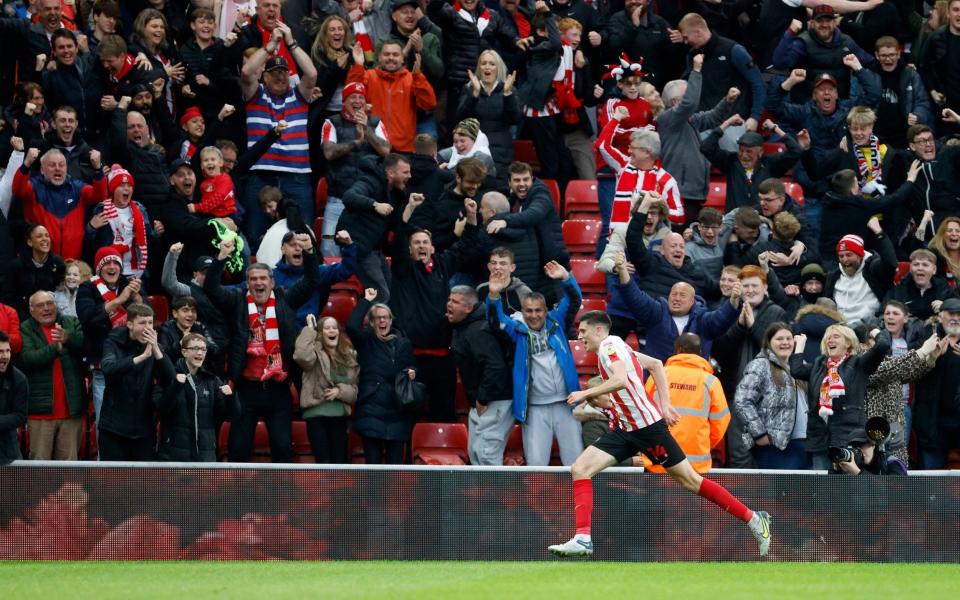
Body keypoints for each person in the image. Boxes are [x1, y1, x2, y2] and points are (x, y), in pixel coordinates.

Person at [550, 311, 772, 558]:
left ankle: (754, 519)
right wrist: (665, 405)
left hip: (647, 430)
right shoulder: (620, 347)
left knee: (691, 481)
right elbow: (656, 365)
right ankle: (582, 538)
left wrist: (582, 395)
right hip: (626, 429)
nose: (579, 337)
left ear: (599, 330)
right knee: (580, 468)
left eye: (583, 331)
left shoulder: (609, 346)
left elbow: (621, 380)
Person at [203, 233, 320, 463]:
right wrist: (221, 259)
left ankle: (281, 496)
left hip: (278, 389)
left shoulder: (285, 298)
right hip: (246, 388)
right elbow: (212, 289)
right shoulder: (237, 301)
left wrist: (309, 252)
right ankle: (239, 496)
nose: (258, 283)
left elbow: (311, 281)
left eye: (263, 278)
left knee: (283, 447)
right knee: (238, 448)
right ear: (248, 284)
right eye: (254, 279)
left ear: (272, 282)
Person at [390, 193, 481, 422]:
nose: (421, 246)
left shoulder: (442, 264)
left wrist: (471, 217)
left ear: (432, 247)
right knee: (409, 414)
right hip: (411, 357)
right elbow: (398, 239)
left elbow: (466, 245)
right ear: (409, 249)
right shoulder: (403, 269)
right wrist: (409, 208)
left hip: (442, 357)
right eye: (416, 243)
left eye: (425, 243)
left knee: (444, 412)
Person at [486, 261, 584, 466]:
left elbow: (574, 299)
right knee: (536, 466)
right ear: (523, 311)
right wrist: (494, 296)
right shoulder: (517, 330)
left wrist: (566, 278)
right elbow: (496, 322)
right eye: (528, 311)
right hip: (535, 408)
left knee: (576, 464)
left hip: (566, 405)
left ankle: (578, 500)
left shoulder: (557, 323)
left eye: (538, 310)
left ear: (546, 310)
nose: (534, 315)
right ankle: (539, 500)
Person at [240, 23, 319, 239]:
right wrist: (270, 46)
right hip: (260, 175)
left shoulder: (299, 96)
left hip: (297, 176)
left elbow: (311, 73)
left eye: (284, 73)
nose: (280, 77)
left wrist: (290, 42)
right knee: (257, 235)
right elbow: (247, 72)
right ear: (264, 76)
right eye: (274, 73)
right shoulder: (256, 96)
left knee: (303, 236)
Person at [791, 323, 891, 470]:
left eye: (836, 336)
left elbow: (883, 345)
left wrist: (872, 330)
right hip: (820, 440)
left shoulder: (859, 363)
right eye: (828, 338)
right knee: (823, 490)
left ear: (848, 342)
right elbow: (796, 370)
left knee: (848, 489)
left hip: (848, 439)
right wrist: (800, 345)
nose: (830, 340)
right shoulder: (819, 365)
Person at [610, 251, 740, 361]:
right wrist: (622, 271)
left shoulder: (702, 320)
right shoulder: (657, 312)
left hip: (692, 384)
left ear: (692, 301)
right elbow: (634, 296)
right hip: (658, 383)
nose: (677, 298)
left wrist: (733, 300)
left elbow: (722, 318)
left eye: (682, 295)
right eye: (674, 294)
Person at [320, 81, 391, 256]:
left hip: (368, 201)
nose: (357, 100)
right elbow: (329, 153)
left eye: (361, 97)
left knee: (368, 248)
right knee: (329, 247)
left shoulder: (376, 122)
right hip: (338, 197)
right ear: (344, 101)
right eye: (353, 97)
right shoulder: (331, 122)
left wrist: (366, 131)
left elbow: (386, 150)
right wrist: (355, 143)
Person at [346, 288, 416, 464]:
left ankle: (394, 494)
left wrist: (413, 372)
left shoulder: (403, 343)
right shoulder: (366, 341)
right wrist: (366, 300)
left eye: (386, 317)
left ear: (391, 320)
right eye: (378, 318)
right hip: (371, 407)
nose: (382, 320)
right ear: (371, 322)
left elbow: (412, 365)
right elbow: (352, 326)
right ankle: (373, 493)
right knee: (373, 466)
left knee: (395, 467)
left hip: (398, 408)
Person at [643, 333, 730, 473]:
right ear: (700, 353)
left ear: (678, 350)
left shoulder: (658, 376)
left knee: (657, 496)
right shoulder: (711, 381)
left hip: (659, 459)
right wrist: (704, 443)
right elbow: (721, 421)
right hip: (695, 466)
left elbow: (643, 412)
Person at [76, 245, 144, 424]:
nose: (112, 267)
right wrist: (120, 300)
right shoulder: (87, 288)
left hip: (130, 361)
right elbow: (88, 317)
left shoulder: (130, 284)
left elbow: (147, 319)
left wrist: (137, 299)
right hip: (102, 364)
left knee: (130, 420)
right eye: (107, 263)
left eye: (116, 263)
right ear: (99, 268)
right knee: (105, 422)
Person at [99, 303, 175, 462]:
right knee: (113, 480)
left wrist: (157, 351)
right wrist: (141, 358)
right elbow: (108, 368)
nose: (147, 327)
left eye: (150, 322)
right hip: (114, 427)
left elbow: (170, 380)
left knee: (142, 482)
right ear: (130, 324)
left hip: (144, 427)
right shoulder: (113, 342)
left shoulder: (154, 346)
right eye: (142, 323)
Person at [447, 285, 513, 466]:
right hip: (482, 401)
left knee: (486, 455)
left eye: (455, 302)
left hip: (494, 400)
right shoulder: (463, 327)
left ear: (469, 308)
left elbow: (496, 366)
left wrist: (483, 398)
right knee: (476, 453)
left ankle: (495, 495)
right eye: (449, 300)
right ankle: (487, 495)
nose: (449, 305)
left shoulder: (478, 330)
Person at [18, 290, 85, 460]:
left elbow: (86, 348)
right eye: (41, 305)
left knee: (69, 467)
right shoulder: (26, 328)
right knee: (40, 466)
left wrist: (68, 339)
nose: (47, 308)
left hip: (71, 411)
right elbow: (28, 359)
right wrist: (55, 347)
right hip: (40, 412)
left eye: (50, 303)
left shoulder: (71, 322)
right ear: (31, 310)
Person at [734, 322, 811, 469]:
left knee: (800, 492)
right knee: (776, 491)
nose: (785, 342)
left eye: (788, 338)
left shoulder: (801, 365)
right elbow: (742, 401)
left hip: (802, 443)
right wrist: (759, 434)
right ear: (769, 342)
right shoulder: (760, 365)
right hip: (775, 446)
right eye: (779, 339)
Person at [12, 144, 105, 260]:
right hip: (42, 262)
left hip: (72, 264)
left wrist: (98, 169)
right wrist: (26, 164)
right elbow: (17, 190)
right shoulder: (33, 187)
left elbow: (100, 195)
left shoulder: (77, 188)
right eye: (52, 165)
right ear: (42, 169)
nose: (57, 168)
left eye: (61, 165)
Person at [346, 39, 437, 153]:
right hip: (372, 145)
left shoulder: (412, 79)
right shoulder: (369, 76)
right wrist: (358, 66)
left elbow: (428, 104)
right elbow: (350, 96)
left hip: (404, 149)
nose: (391, 58)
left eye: (395, 54)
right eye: (386, 54)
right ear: (379, 57)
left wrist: (418, 77)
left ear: (402, 58)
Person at [157, 332, 235, 462]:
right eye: (195, 348)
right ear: (184, 352)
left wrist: (231, 398)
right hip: (174, 455)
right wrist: (175, 386)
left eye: (203, 349)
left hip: (205, 454)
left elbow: (230, 416)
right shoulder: (170, 376)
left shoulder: (213, 381)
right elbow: (161, 409)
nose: (200, 353)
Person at [772, 5, 875, 100]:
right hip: (807, 108)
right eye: (820, 21)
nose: (824, 25)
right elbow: (779, 63)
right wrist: (790, 32)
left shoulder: (847, 42)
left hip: (839, 108)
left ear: (835, 23)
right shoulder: (802, 42)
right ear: (812, 23)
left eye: (828, 21)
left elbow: (870, 63)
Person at [293, 315, 358, 464]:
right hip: (316, 415)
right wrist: (310, 330)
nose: (332, 330)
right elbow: (301, 356)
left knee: (338, 463)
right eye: (327, 328)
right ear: (321, 333)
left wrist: (339, 392)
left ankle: (337, 488)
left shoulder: (349, 356)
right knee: (323, 463)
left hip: (339, 416)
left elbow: (354, 391)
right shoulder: (313, 353)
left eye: (334, 327)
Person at [700, 121, 803, 212]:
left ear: (760, 152)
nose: (744, 155)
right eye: (741, 150)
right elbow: (706, 147)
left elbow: (796, 151)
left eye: (749, 151)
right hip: (734, 223)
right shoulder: (731, 161)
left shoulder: (771, 164)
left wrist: (775, 128)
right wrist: (727, 124)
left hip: (761, 223)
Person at [86, 164, 153, 280]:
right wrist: (91, 227)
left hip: (137, 271)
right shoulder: (101, 209)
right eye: (122, 185)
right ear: (113, 188)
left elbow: (149, 238)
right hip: (110, 269)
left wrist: (157, 232)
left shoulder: (139, 209)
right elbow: (89, 242)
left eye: (129, 185)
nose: (127, 188)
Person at [826, 221, 897, 327]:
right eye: (841, 256)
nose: (845, 259)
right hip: (840, 330)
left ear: (860, 255)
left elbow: (891, 264)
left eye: (849, 255)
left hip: (869, 328)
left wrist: (880, 233)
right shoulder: (834, 275)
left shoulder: (873, 268)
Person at [870, 36, 933, 148]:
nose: (888, 59)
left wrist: (917, 115)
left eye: (892, 55)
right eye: (884, 55)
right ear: (877, 55)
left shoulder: (910, 74)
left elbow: (922, 101)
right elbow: (858, 101)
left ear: (899, 54)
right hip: (874, 134)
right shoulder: (869, 74)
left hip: (903, 135)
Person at [2, 224, 66, 320]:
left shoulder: (59, 263)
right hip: (24, 319)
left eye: (47, 236)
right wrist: (27, 319)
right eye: (39, 236)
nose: (45, 239)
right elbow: (8, 298)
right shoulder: (16, 266)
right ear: (30, 242)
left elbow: (62, 294)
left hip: (52, 317)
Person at [0, 331, 28, 465]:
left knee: (12, 485)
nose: (5, 356)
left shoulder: (19, 379)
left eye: (7, 351)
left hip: (6, 448)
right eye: (0, 351)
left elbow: (20, 415)